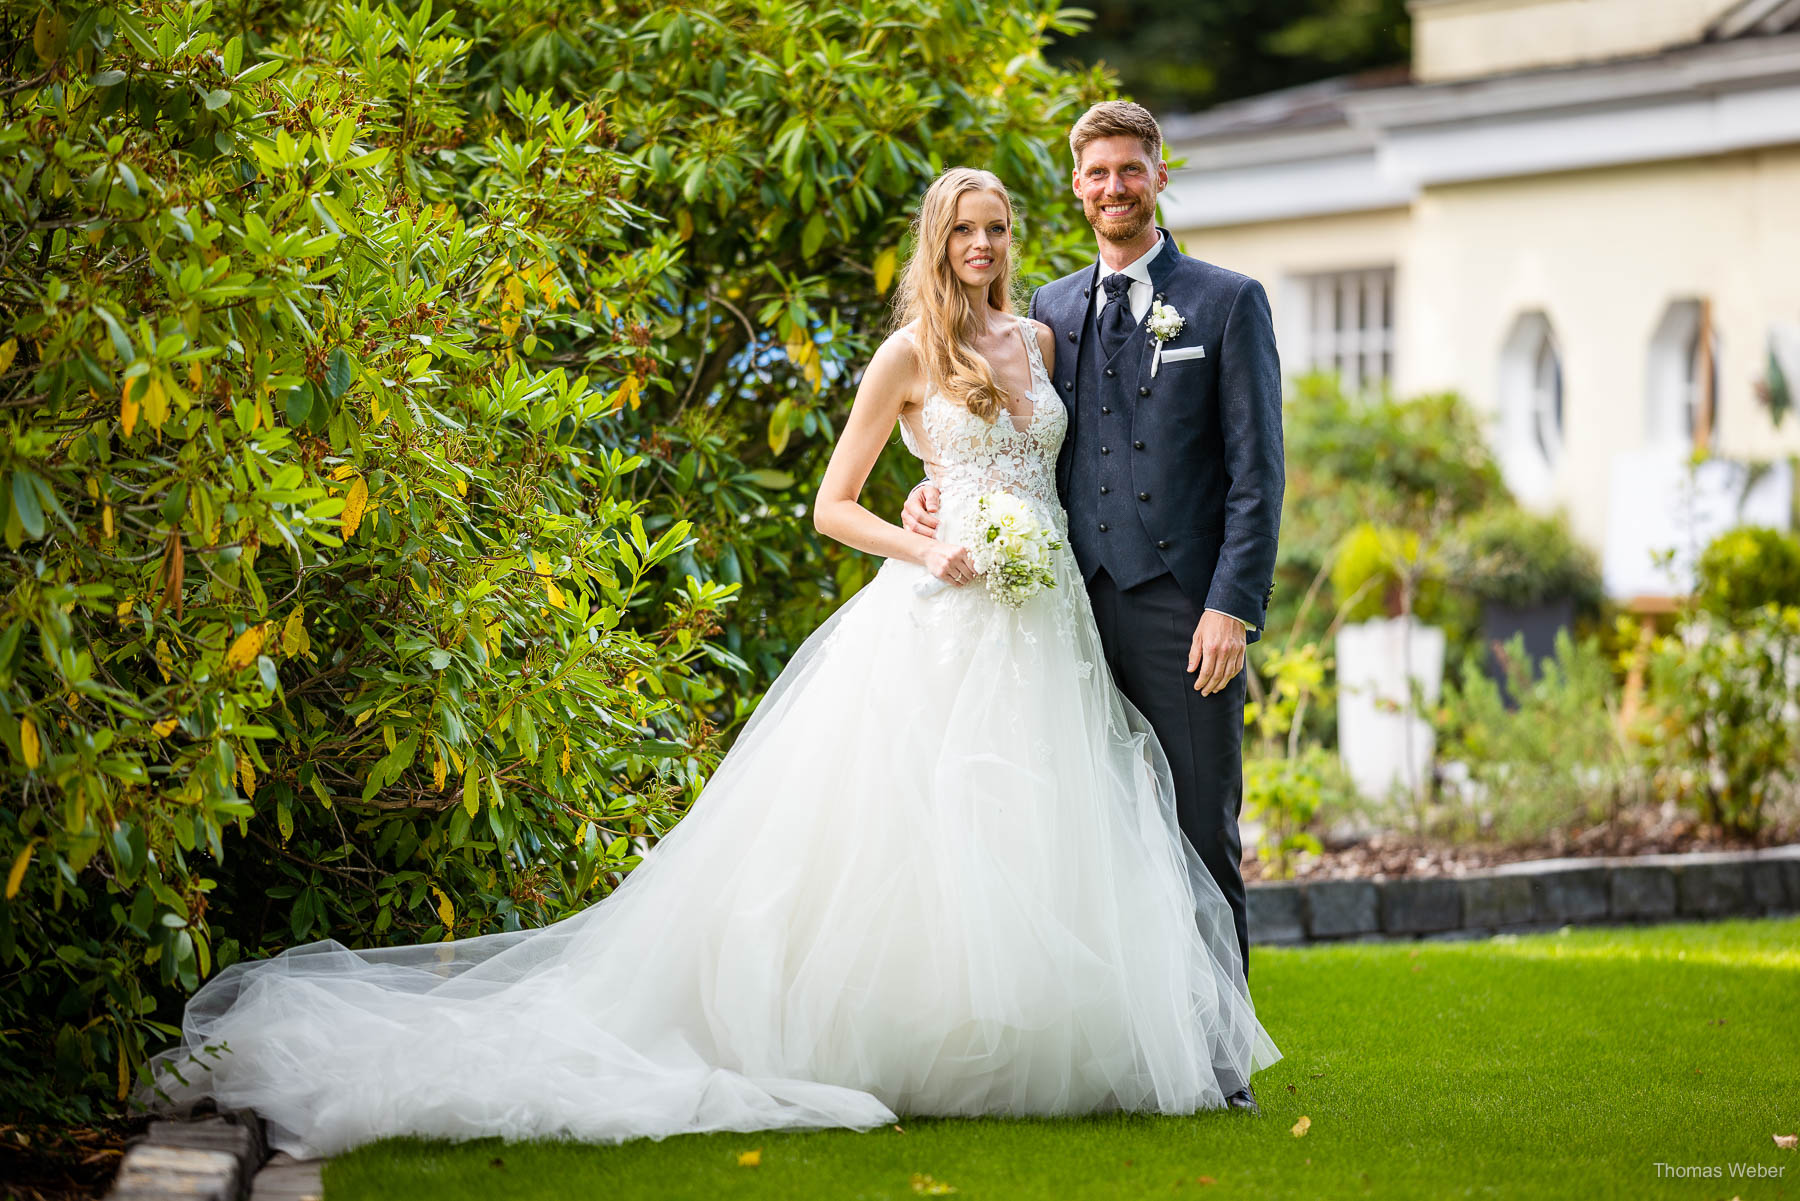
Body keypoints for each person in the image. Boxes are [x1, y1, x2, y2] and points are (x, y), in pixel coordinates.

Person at [146, 165, 1279, 1159]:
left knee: (1045, 832)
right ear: (937, 245)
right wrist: (926, 538)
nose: (983, 247)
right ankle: (911, 1042)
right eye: (963, 232)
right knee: (919, 836)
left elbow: (1084, 463)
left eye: (996, 229)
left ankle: (1050, 1043)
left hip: (1048, 628)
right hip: (944, 619)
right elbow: (835, 505)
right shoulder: (905, 353)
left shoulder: (1040, 336)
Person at [903, 107, 1285, 1106]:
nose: (1112, 187)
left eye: (1130, 170)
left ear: (1158, 176)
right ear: (1076, 187)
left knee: (1201, 830)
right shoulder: (1049, 313)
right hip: (1064, 610)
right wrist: (935, 491)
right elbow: (1009, 439)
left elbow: (1257, 476)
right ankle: (1122, 1050)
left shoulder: (1228, 303)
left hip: (1180, 613)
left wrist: (1231, 607)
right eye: (1096, 173)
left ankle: (1220, 1060)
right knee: (1087, 828)